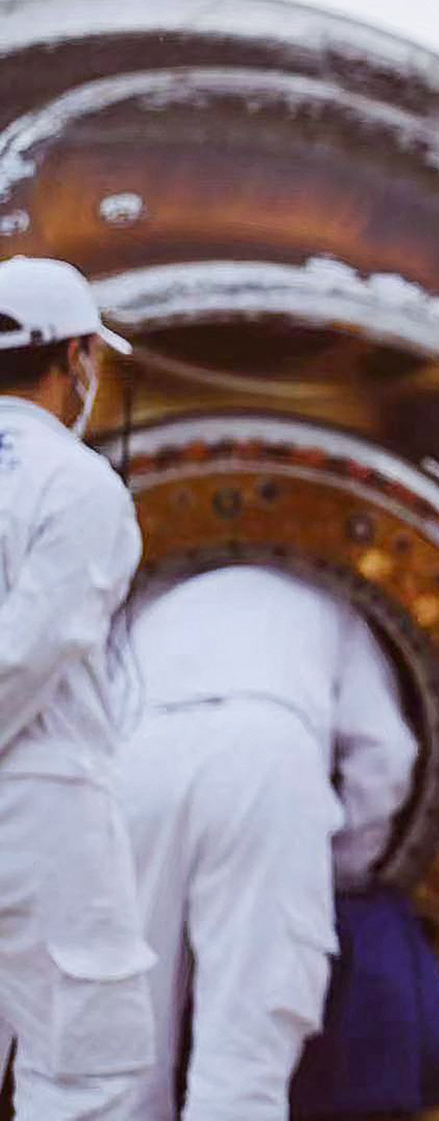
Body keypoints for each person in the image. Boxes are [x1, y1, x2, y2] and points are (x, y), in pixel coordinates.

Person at [112, 564, 420, 1118]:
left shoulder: (151, 599)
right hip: (267, 753)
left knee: (119, 1033)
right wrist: (346, 868)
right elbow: (386, 755)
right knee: (247, 1034)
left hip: (136, 760)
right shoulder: (328, 600)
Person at [0, 255, 156, 1115]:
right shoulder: (78, 483)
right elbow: (33, 646)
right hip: (43, 811)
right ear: (76, 359)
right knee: (80, 1077)